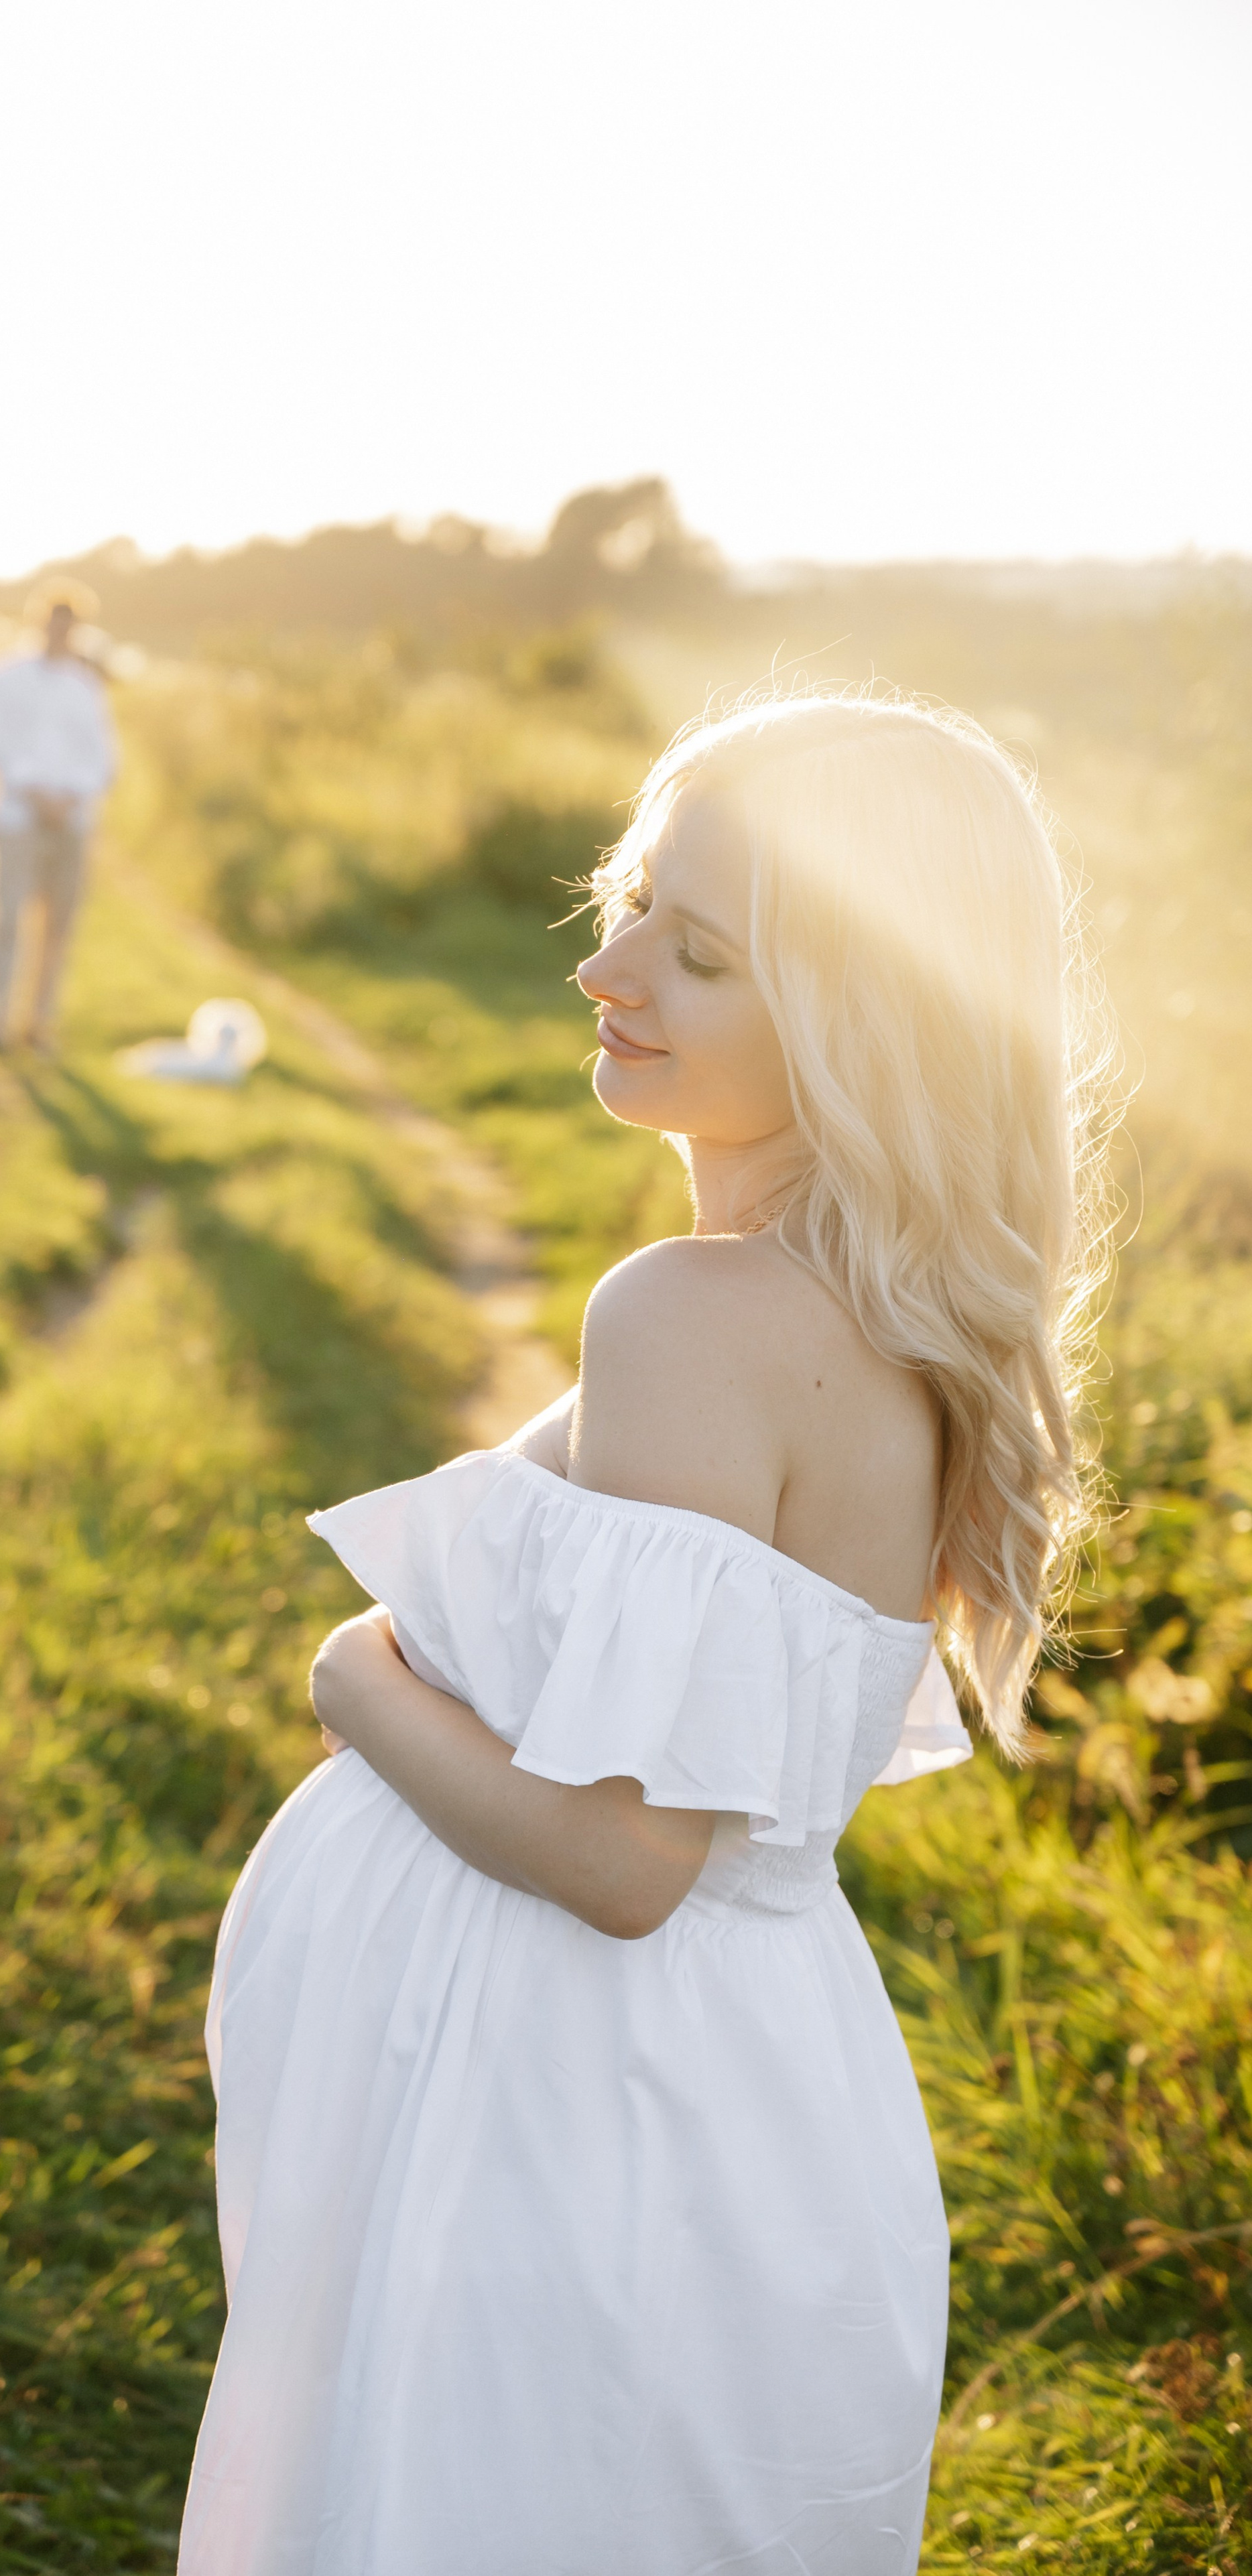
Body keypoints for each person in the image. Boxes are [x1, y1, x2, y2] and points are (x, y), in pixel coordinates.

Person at [176, 691, 1115, 2575]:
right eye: (626, 904)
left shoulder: (693, 1315)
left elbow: (626, 1857)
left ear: (868, 1017)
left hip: (573, 2118)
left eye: (697, 952)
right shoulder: (879, 1313)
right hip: (718, 2089)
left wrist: (350, 1680)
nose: (606, 967)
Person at [0, 576, 117, 1053]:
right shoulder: (1, 676)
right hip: (17, 815)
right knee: (9, 916)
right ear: (39, 621)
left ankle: (39, 1022)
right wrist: (35, 794)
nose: (61, 632)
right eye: (54, 622)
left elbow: (103, 756)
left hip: (73, 819)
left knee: (59, 923)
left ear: (79, 629)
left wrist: (73, 798)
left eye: (70, 625)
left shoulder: (85, 686)